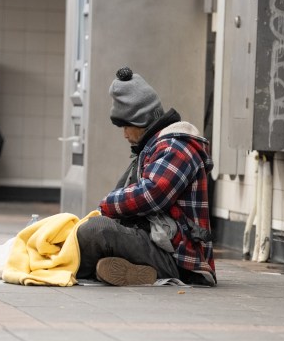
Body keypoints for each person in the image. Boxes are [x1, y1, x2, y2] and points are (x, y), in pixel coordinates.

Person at [76, 67, 216, 287]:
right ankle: (133, 271)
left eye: (125, 126)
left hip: (180, 260)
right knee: (89, 231)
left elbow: (153, 193)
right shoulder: (154, 147)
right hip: (158, 244)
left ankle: (67, 271)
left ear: (140, 120)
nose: (124, 134)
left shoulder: (177, 146)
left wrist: (107, 204)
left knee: (95, 231)